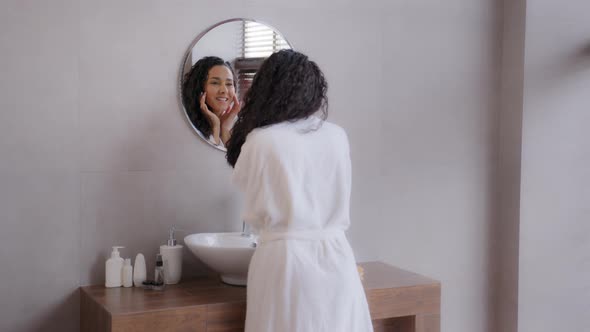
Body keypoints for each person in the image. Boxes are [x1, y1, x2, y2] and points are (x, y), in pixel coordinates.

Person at [226, 50, 373, 332]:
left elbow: (242, 179)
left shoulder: (262, 140)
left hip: (286, 262)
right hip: (338, 259)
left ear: (267, 89)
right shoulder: (337, 135)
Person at [182, 56, 240, 147]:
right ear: (199, 88)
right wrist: (215, 127)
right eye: (215, 83)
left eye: (229, 84)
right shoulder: (186, 125)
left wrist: (224, 129)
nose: (224, 90)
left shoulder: (234, 122)